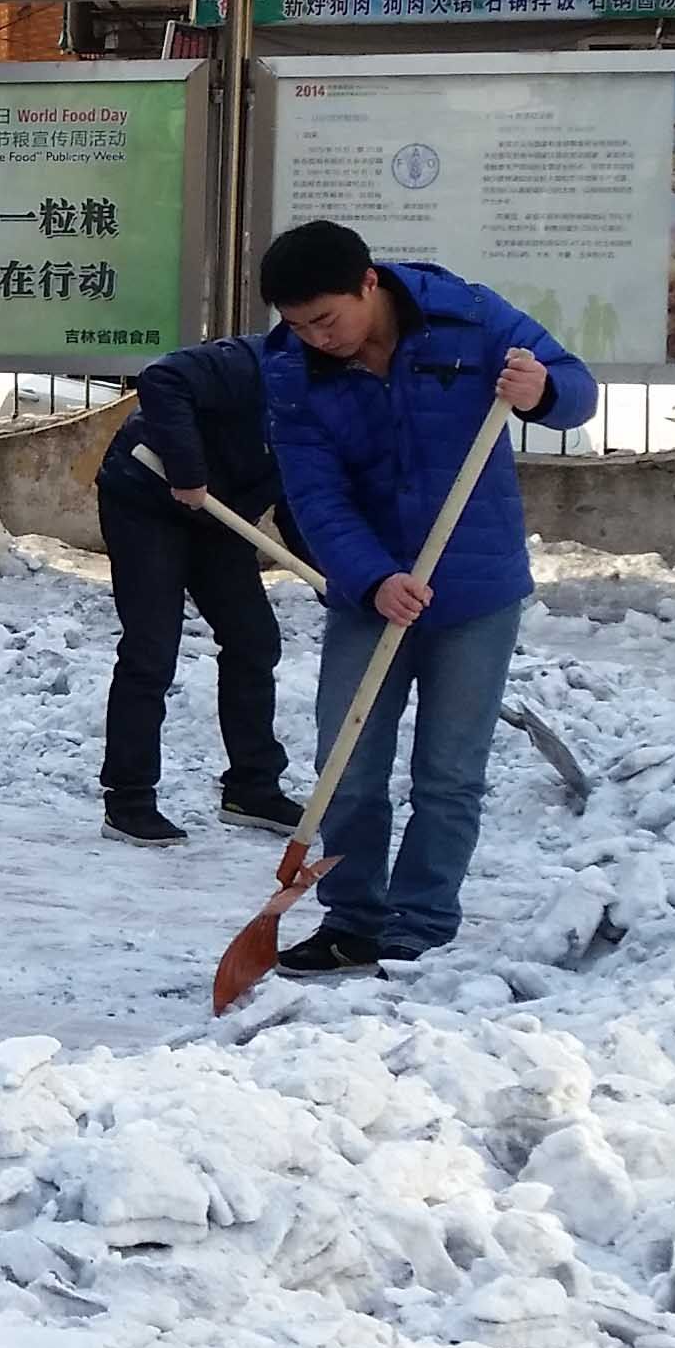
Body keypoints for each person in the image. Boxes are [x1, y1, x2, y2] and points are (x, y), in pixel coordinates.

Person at [252, 221, 598, 974]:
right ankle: (353, 918)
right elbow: (315, 494)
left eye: (326, 319)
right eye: (300, 325)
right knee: (347, 767)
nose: (317, 338)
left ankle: (421, 920)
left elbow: (577, 390)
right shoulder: (291, 371)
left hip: (477, 589)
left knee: (448, 772)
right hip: (369, 593)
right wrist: (372, 578)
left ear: (368, 283)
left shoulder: (466, 317)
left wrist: (543, 391)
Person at [93, 330, 299, 847]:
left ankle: (252, 788)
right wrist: (188, 470)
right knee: (152, 648)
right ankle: (129, 799)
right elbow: (162, 379)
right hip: (146, 497)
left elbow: (301, 500)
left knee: (253, 640)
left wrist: (338, 580)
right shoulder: (253, 363)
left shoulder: (340, 405)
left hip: (222, 513)